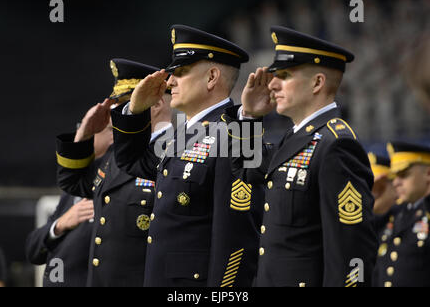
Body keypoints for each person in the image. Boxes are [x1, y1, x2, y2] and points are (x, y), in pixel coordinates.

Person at [223, 26, 378, 287]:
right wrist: (248, 117)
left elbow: (351, 250)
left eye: (284, 75)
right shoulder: (296, 137)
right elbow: (248, 169)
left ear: (317, 82)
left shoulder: (335, 145)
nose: (272, 84)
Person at [110, 25, 263, 287]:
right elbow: (131, 162)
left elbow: (235, 239)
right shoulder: (183, 135)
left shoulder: (237, 136)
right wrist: (134, 111)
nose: (170, 82)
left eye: (180, 73)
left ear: (212, 76)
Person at [55, 59, 172, 287]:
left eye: (125, 105)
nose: (114, 113)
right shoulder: (114, 154)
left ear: (156, 103)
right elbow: (73, 184)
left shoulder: (173, 152)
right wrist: (84, 135)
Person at [25, 104, 113, 287]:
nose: (82, 132)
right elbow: (33, 249)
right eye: (81, 126)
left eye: (92, 127)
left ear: (113, 136)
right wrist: (60, 224)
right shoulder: (74, 187)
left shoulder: (116, 187)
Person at [373, 141, 430, 287]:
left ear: (429, 173)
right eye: (393, 177)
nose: (396, 183)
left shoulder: (429, 211)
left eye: (403, 175)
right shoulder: (399, 214)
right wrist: (372, 195)